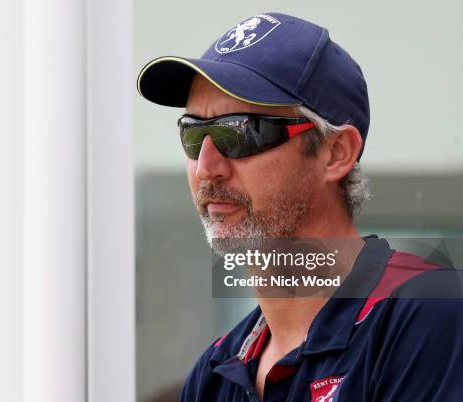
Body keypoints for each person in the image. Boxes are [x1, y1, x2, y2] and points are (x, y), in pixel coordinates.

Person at [136, 12, 463, 402]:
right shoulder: (214, 374)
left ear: (336, 153)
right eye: (193, 134)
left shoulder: (429, 312)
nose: (207, 168)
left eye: (241, 133)